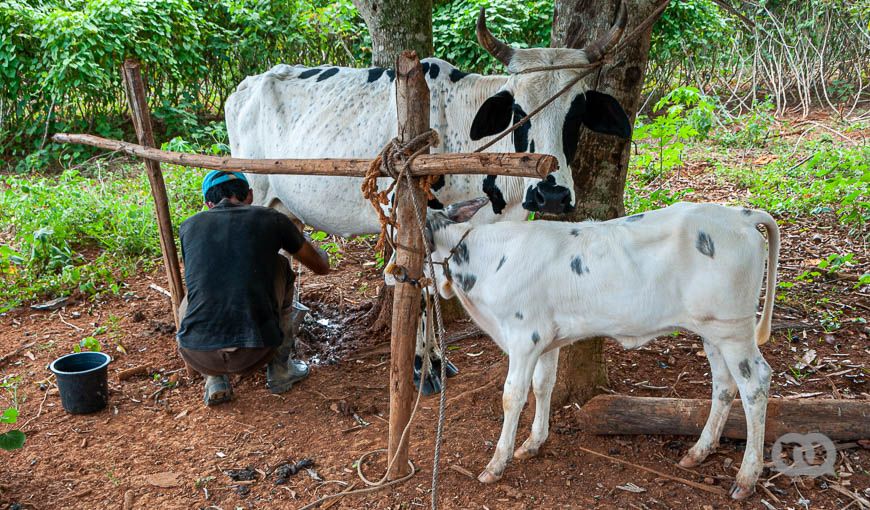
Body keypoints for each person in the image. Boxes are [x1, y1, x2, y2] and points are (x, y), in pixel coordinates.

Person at [176, 170, 330, 406]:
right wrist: (307, 242)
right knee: (280, 264)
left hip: (196, 353)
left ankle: (215, 379)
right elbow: (321, 267)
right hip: (256, 352)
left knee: (200, 287)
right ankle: (280, 370)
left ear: (208, 204)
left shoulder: (188, 226)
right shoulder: (272, 219)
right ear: (249, 195)